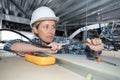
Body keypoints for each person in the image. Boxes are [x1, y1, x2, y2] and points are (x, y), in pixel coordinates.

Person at [3, 6, 103, 56]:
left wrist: (95, 49)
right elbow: (9, 45)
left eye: (53, 27)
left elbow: (86, 50)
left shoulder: (63, 42)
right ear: (35, 30)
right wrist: (45, 49)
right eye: (46, 27)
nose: (51, 31)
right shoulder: (31, 43)